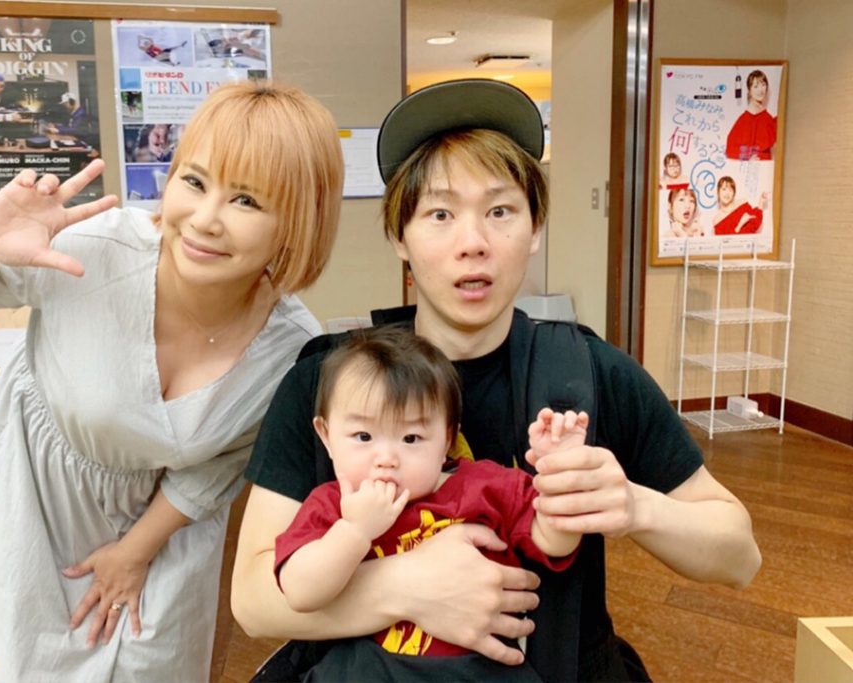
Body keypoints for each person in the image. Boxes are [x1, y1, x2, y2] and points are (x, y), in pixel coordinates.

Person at [232, 79, 761, 683]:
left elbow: (739, 557)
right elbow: (252, 601)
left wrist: (635, 505)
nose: (473, 244)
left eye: (500, 211)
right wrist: (406, 585)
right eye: (439, 214)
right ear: (399, 237)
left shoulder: (594, 374)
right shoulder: (327, 384)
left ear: (535, 229)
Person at [0, 81, 343, 682]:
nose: (205, 220)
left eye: (246, 201)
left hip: (169, 531)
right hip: (46, 508)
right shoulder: (98, 248)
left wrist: (134, 553)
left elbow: (220, 464)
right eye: (194, 182)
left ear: (298, 223)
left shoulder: (291, 347)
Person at [275, 326, 587, 682]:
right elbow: (300, 593)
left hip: (479, 671)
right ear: (326, 436)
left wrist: (560, 473)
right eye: (363, 436)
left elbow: (554, 542)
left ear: (447, 440)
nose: (386, 458)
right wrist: (354, 531)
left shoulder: (486, 486)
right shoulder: (332, 505)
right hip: (369, 669)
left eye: (411, 438)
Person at [726, 70, 777, 161]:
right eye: (756, 86)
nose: (760, 90)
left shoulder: (769, 119)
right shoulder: (743, 120)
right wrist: (747, 156)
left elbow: (774, 153)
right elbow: (730, 150)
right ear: (749, 90)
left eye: (763, 85)